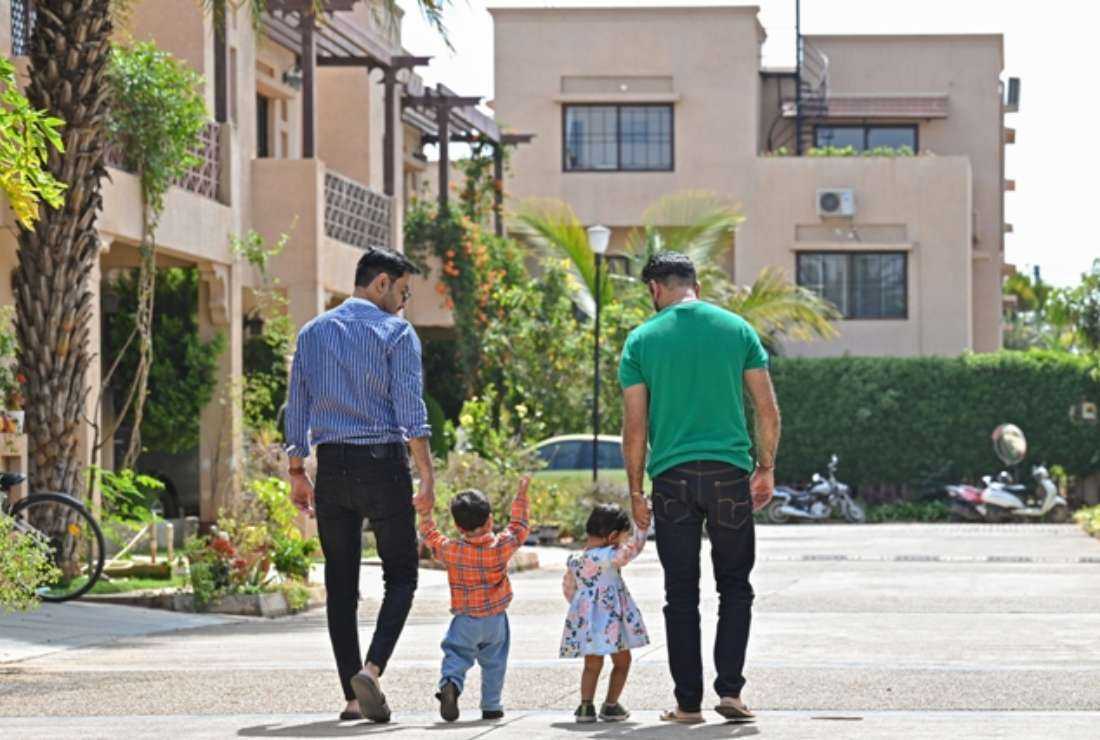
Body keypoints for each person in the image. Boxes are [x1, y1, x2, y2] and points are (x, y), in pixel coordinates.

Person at [619, 251, 781, 724]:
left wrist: (635, 491)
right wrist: (765, 467)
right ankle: (730, 692)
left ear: (655, 288)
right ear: (697, 284)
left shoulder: (641, 341)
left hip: (672, 480)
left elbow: (635, 428)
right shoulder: (737, 330)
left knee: (681, 592)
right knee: (735, 586)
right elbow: (766, 410)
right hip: (730, 475)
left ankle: (688, 703)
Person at [284, 247, 435, 724]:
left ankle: (351, 697)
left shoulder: (313, 332)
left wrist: (295, 470)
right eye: (404, 292)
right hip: (383, 465)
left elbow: (297, 404)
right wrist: (426, 476)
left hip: (331, 468)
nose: (404, 304)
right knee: (403, 575)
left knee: (340, 582)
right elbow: (412, 413)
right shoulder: (394, 333)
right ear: (381, 283)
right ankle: (371, 669)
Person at [417, 477, 531, 723]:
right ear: (490, 519)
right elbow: (519, 527)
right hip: (496, 620)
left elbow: (430, 536)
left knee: (456, 655)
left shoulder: (452, 551)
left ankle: (451, 685)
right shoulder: (501, 546)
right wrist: (521, 494)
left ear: (458, 527)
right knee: (495, 663)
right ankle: (491, 706)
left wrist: (425, 513)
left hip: (465, 620)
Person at [560, 503, 650, 724]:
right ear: (612, 537)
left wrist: (584, 610)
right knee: (622, 661)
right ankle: (610, 705)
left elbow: (569, 589)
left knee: (591, 665)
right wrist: (643, 529)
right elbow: (634, 549)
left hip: (588, 624)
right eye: (622, 537)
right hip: (612, 625)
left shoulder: (574, 559)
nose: (624, 542)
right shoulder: (610, 556)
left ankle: (585, 706)